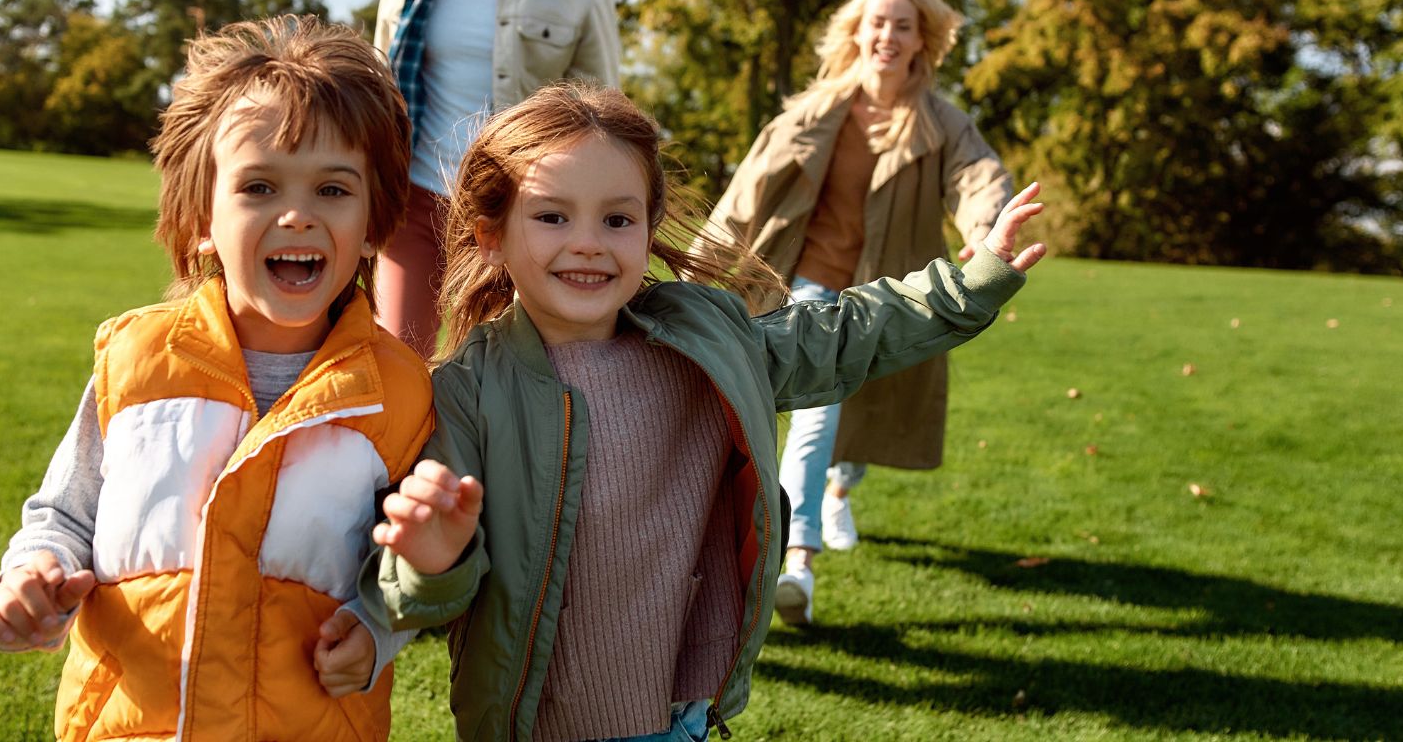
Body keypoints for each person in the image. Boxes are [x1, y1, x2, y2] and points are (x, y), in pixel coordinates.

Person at [364, 84, 1044, 741]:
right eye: (551, 216)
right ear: (491, 234)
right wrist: (431, 557)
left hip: (680, 714)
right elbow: (421, 594)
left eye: (617, 219)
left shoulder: (706, 340)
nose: (589, 242)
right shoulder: (466, 392)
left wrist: (971, 281)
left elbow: (840, 334)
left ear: (649, 226)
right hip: (536, 726)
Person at [0, 17, 436, 742]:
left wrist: (378, 631)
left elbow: (405, 576)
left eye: (333, 190)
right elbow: (63, 514)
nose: (296, 214)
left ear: (375, 220)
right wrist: (30, 576)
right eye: (258, 186)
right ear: (201, 219)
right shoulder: (137, 359)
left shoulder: (399, 394)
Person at [702, 0, 1014, 626]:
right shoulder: (810, 115)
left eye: (903, 25)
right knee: (818, 415)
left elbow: (979, 178)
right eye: (878, 22)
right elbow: (743, 198)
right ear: (857, 32)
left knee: (859, 418)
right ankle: (798, 565)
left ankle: (843, 485)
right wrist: (697, 268)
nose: (888, 35)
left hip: (886, 289)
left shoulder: (941, 122)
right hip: (806, 283)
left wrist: (986, 233)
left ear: (922, 39)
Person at [372, 0, 621, 360]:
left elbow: (603, 115)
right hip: (416, 198)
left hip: (514, 209)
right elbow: (377, 86)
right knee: (397, 361)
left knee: (494, 373)